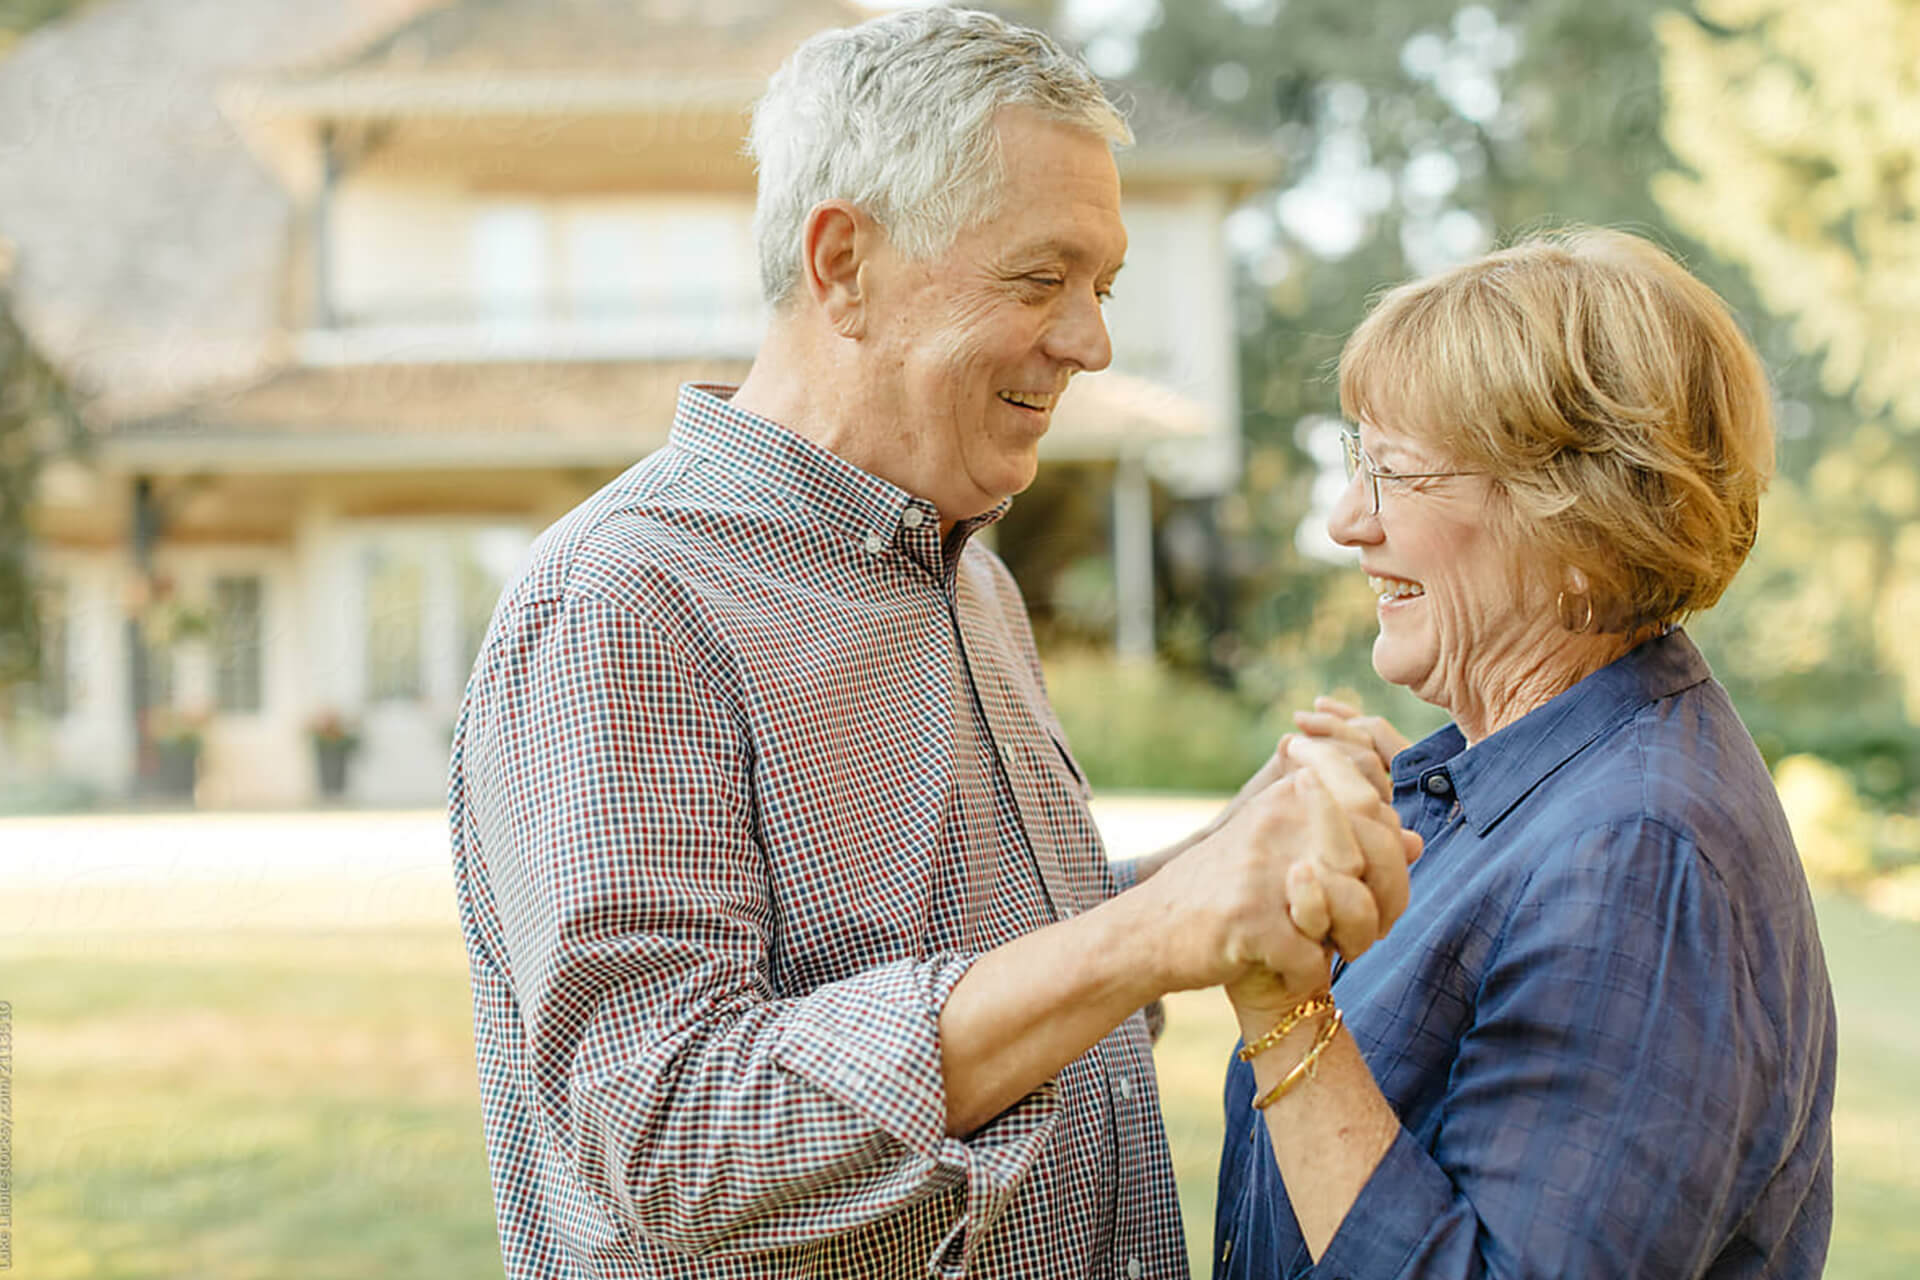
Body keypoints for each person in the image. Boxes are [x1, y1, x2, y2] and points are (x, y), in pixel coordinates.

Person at [446, 9, 1416, 1279]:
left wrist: (1218, 863)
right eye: (1039, 278)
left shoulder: (972, 582)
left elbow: (986, 957)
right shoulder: (627, 602)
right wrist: (1144, 935)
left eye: (1102, 285)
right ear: (843, 262)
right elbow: (678, 1134)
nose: (1092, 340)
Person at [1211, 227, 1837, 1279]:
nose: (1342, 520)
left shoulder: (1641, 850)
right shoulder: (1512, 786)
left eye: (1395, 474)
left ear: (1576, 527)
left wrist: (1285, 1010)